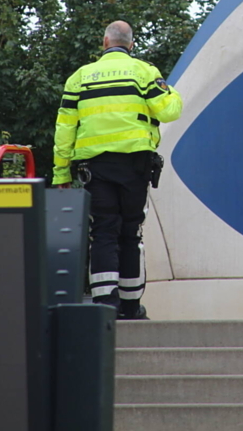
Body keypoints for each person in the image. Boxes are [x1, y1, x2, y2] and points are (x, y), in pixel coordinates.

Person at [53, 21, 182, 320]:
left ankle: (104, 306)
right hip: (135, 166)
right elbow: (169, 111)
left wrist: (61, 173)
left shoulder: (80, 77)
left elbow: (64, 128)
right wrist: (169, 89)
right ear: (131, 45)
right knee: (131, 232)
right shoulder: (144, 72)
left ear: (104, 42)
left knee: (102, 232)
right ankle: (131, 307)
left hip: (94, 168)